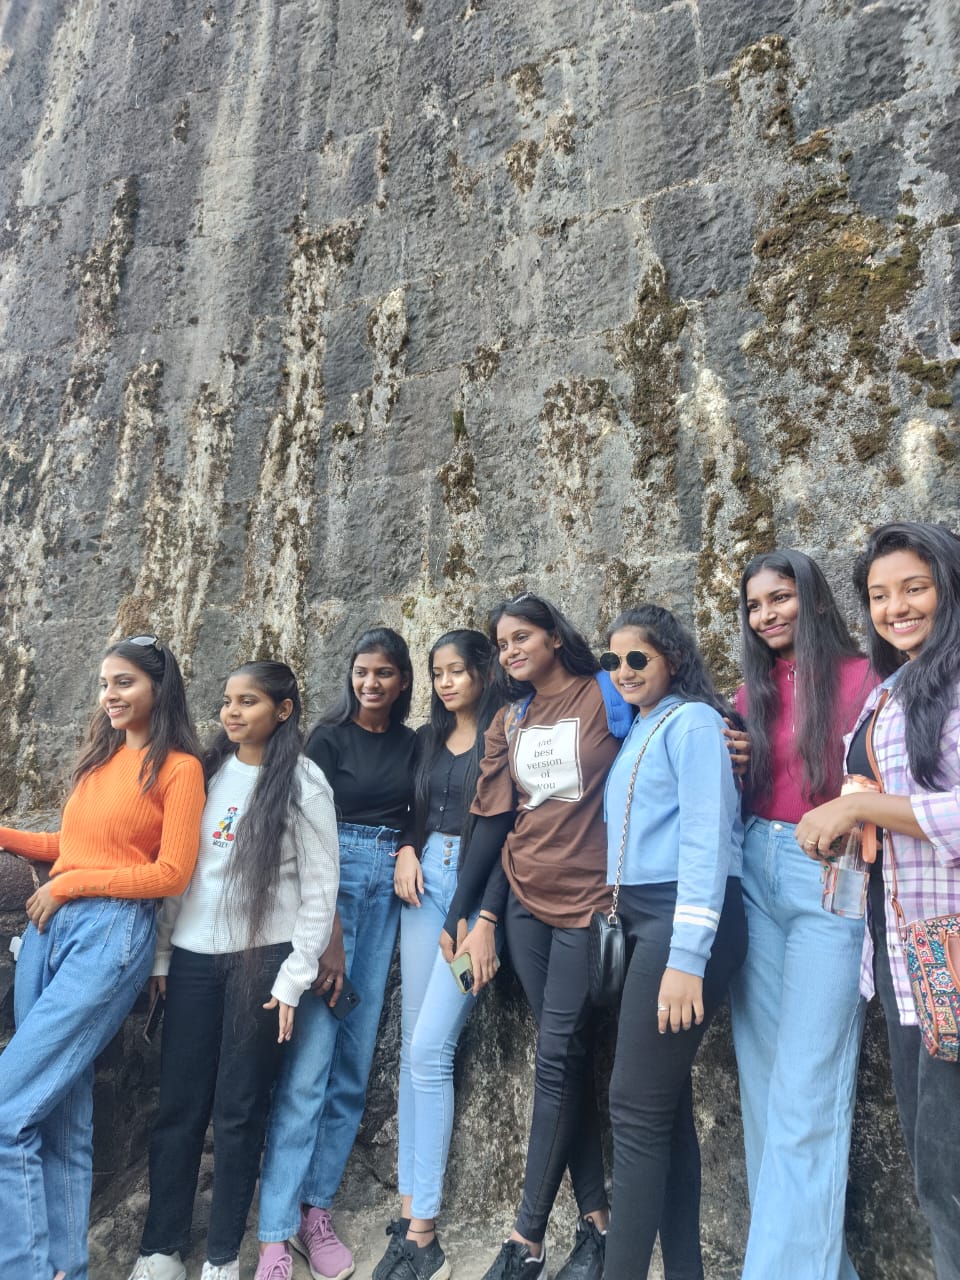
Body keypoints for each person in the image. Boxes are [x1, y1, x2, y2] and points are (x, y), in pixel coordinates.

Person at [0, 635, 206, 1280]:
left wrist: (70, 886)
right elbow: (73, 844)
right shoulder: (101, 761)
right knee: (60, 1113)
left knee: (6, 1111)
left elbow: (171, 873)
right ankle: (66, 1267)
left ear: (158, 688)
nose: (109, 695)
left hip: (109, 932)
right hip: (47, 933)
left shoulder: (180, 769)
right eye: (104, 683)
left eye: (124, 682)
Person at [128, 662, 340, 1280]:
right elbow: (182, 872)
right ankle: (161, 1249)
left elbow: (320, 890)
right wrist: (163, 955)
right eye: (227, 701)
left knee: (240, 1110)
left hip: (263, 961)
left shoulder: (304, 783)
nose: (232, 712)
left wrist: (293, 978)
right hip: (193, 959)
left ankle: (221, 1256)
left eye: (248, 701)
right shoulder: (205, 771)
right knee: (179, 1106)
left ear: (284, 709)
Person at [442, 593, 626, 1280]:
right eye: (502, 643)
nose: (511, 651)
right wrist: (466, 913)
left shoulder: (606, 692)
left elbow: (673, 717)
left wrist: (732, 735)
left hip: (591, 905)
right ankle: (597, 1221)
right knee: (562, 1059)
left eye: (522, 636)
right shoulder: (510, 718)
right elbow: (498, 822)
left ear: (554, 635)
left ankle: (526, 1238)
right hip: (522, 905)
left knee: (557, 1058)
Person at [795, 521, 960, 1280]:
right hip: (902, 954)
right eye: (879, 595)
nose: (896, 608)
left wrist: (860, 807)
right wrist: (847, 821)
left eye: (914, 588)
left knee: (949, 1177)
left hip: (950, 950)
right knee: (935, 1173)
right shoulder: (891, 690)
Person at [727, 551, 874, 1280]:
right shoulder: (746, 694)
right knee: (763, 1089)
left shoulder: (867, 679)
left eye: (779, 598)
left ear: (813, 600)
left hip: (829, 879)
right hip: (755, 870)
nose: (766, 616)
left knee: (807, 1089)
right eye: (755, 606)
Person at [256, 628, 416, 1280]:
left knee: (353, 1063)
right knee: (309, 1067)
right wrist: (328, 935)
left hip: (386, 895)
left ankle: (313, 1211)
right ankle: (273, 1233)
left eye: (384, 673)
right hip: (333, 889)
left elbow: (426, 806)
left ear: (402, 682)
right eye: (361, 671)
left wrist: (409, 846)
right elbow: (305, 840)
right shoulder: (325, 740)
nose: (370, 683)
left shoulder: (413, 743)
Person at [600, 605, 747, 1280]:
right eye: (613, 660)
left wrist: (687, 958)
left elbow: (706, 840)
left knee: (633, 1109)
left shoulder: (693, 723)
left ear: (674, 660)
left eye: (638, 658)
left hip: (681, 921)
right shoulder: (644, 724)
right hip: (641, 917)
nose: (623, 671)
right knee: (661, 1111)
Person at [363, 629, 506, 1280]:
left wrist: (484, 915)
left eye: (457, 671)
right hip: (422, 890)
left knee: (430, 1051)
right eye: (437, 672)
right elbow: (410, 808)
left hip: (471, 898)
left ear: (484, 672)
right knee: (411, 1052)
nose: (446, 683)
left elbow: (511, 830)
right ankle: (409, 1211)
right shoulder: (426, 738)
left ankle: (426, 1235)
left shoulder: (505, 734)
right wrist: (405, 848)